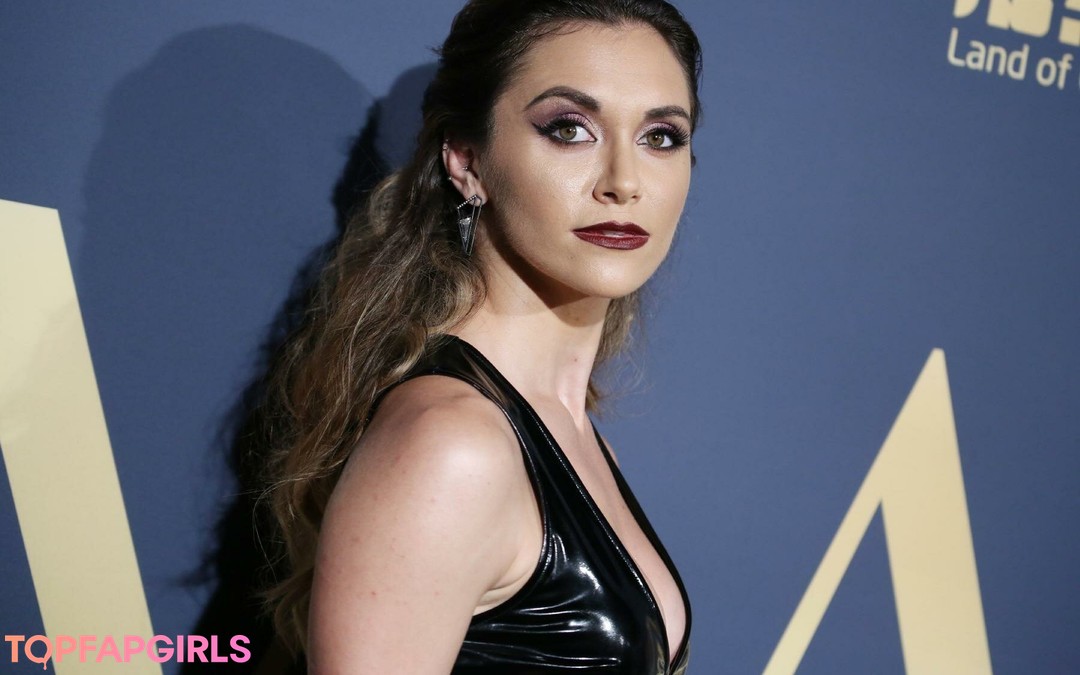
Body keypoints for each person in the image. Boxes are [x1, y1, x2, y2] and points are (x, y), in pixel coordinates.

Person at [259, 1, 703, 672]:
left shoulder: (574, 437)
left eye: (661, 137)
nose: (624, 182)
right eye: (569, 129)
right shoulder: (455, 446)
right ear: (466, 159)